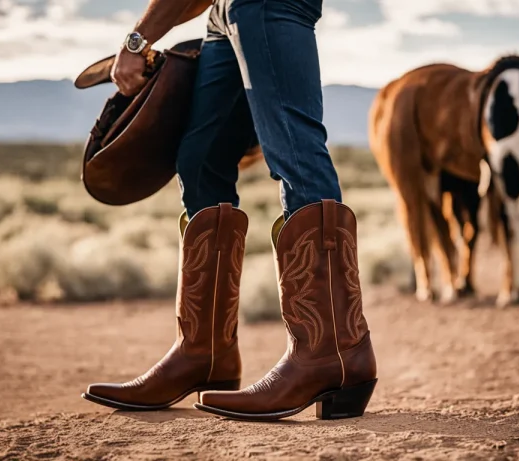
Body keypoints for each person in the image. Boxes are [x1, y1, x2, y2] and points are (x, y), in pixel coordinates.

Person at [82, 0, 378, 421]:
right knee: (200, 158)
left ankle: (331, 352)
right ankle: (205, 353)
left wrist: (138, 39)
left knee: (293, 147)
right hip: (224, 14)